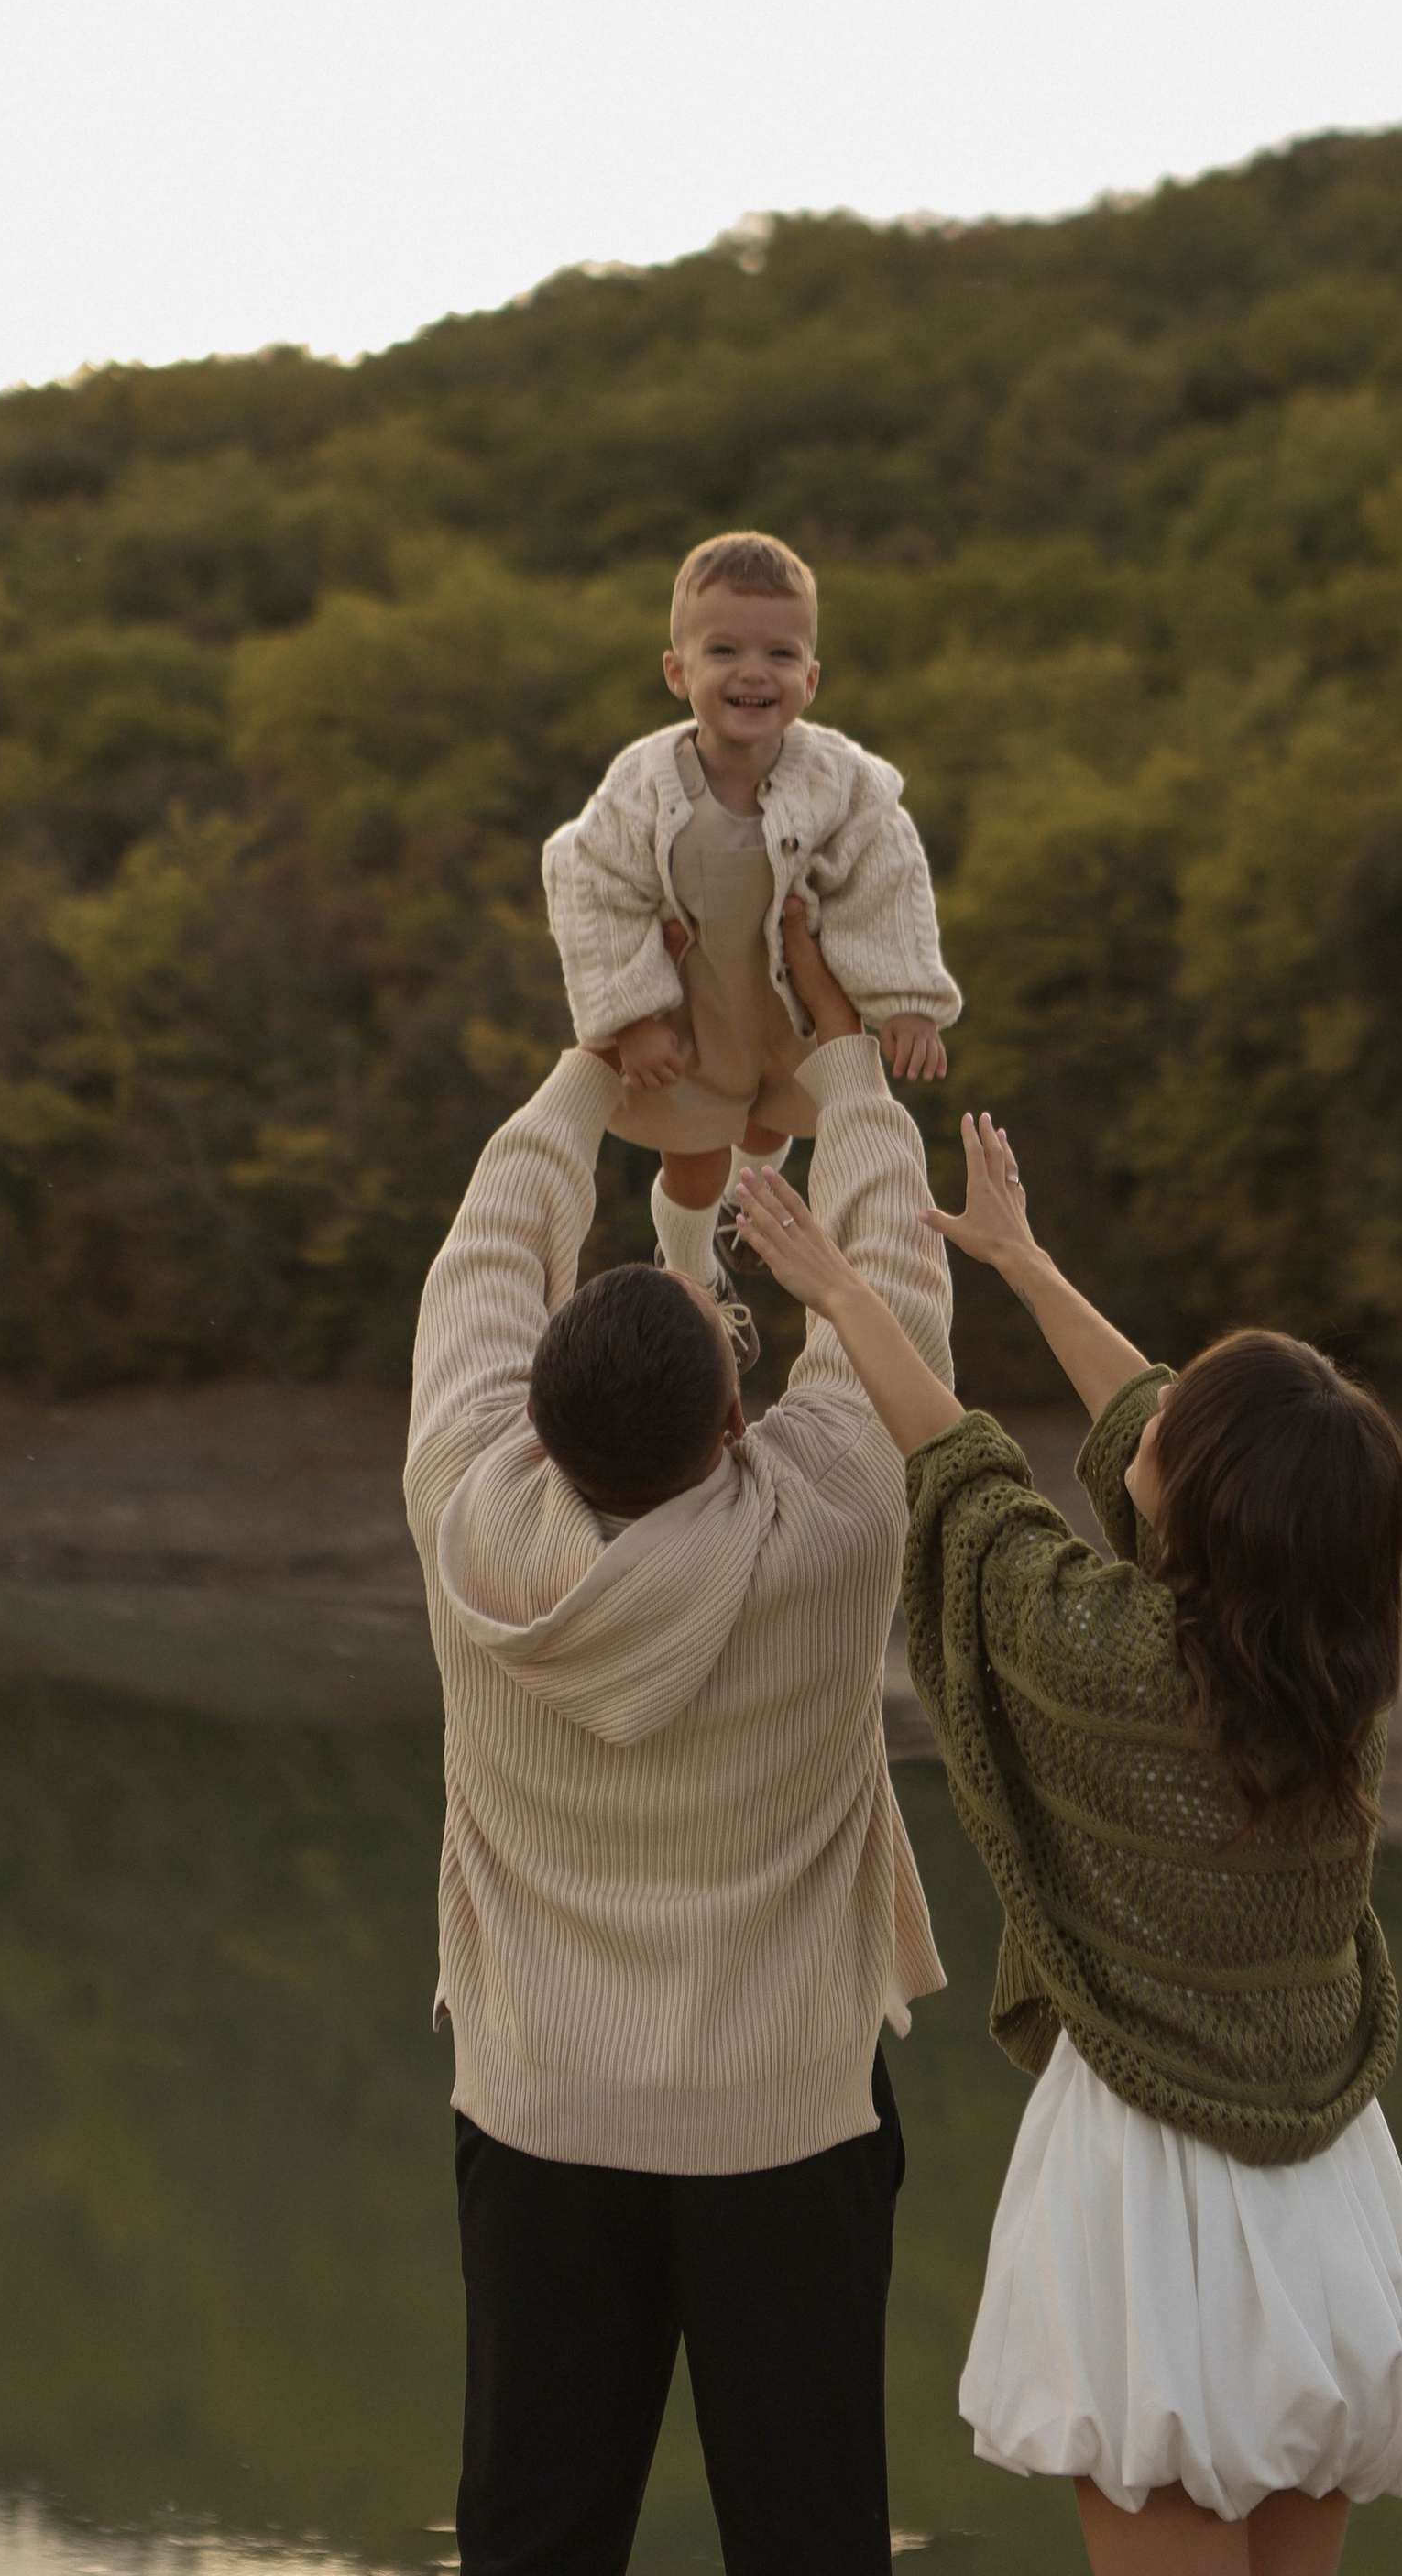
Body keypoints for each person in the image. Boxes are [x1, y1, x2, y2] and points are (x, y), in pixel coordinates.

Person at [728, 906, 1402, 2576]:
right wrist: (1021, 1258)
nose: (1146, 1427)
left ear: (1190, 1514)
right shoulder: (1334, 1660)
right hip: (1327, 2203)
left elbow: (967, 1477)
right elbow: (1153, 1421)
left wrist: (838, 1281)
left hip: (1156, 2200)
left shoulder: (1112, 1657)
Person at [403, 976, 954, 2574]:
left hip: (538, 2110)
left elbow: (486, 1260)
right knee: (809, 2535)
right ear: (739, 1415)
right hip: (786, 2122)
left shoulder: (472, 1521)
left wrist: (593, 1073)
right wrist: (844, 1059)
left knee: (532, 2535)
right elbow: (896, 1302)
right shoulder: (835, 1529)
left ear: (536, 1419)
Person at [542, 528, 959, 1344]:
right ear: (678, 672)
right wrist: (630, 1018)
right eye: (723, 649)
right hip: (690, 1011)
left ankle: (748, 1200)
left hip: (784, 1009)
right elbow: (587, 882)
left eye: (779, 652)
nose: (752, 672)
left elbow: (887, 872)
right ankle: (692, 1270)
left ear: (809, 677)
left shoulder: (840, 782)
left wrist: (908, 1002)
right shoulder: (645, 786)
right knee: (694, 1159)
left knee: (771, 1127)